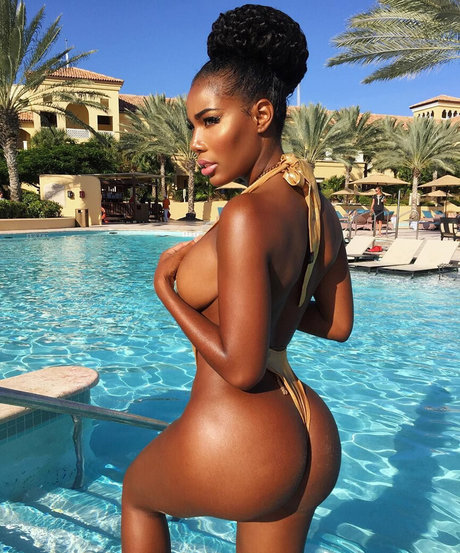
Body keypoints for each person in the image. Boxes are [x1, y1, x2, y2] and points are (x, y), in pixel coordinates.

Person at [122, 5, 353, 553]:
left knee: (137, 496)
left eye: (209, 120)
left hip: (241, 438)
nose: (195, 142)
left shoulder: (246, 214)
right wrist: (270, 309)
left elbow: (244, 368)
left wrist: (167, 294)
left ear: (261, 114)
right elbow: (337, 324)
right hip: (311, 432)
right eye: (192, 126)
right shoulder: (319, 206)